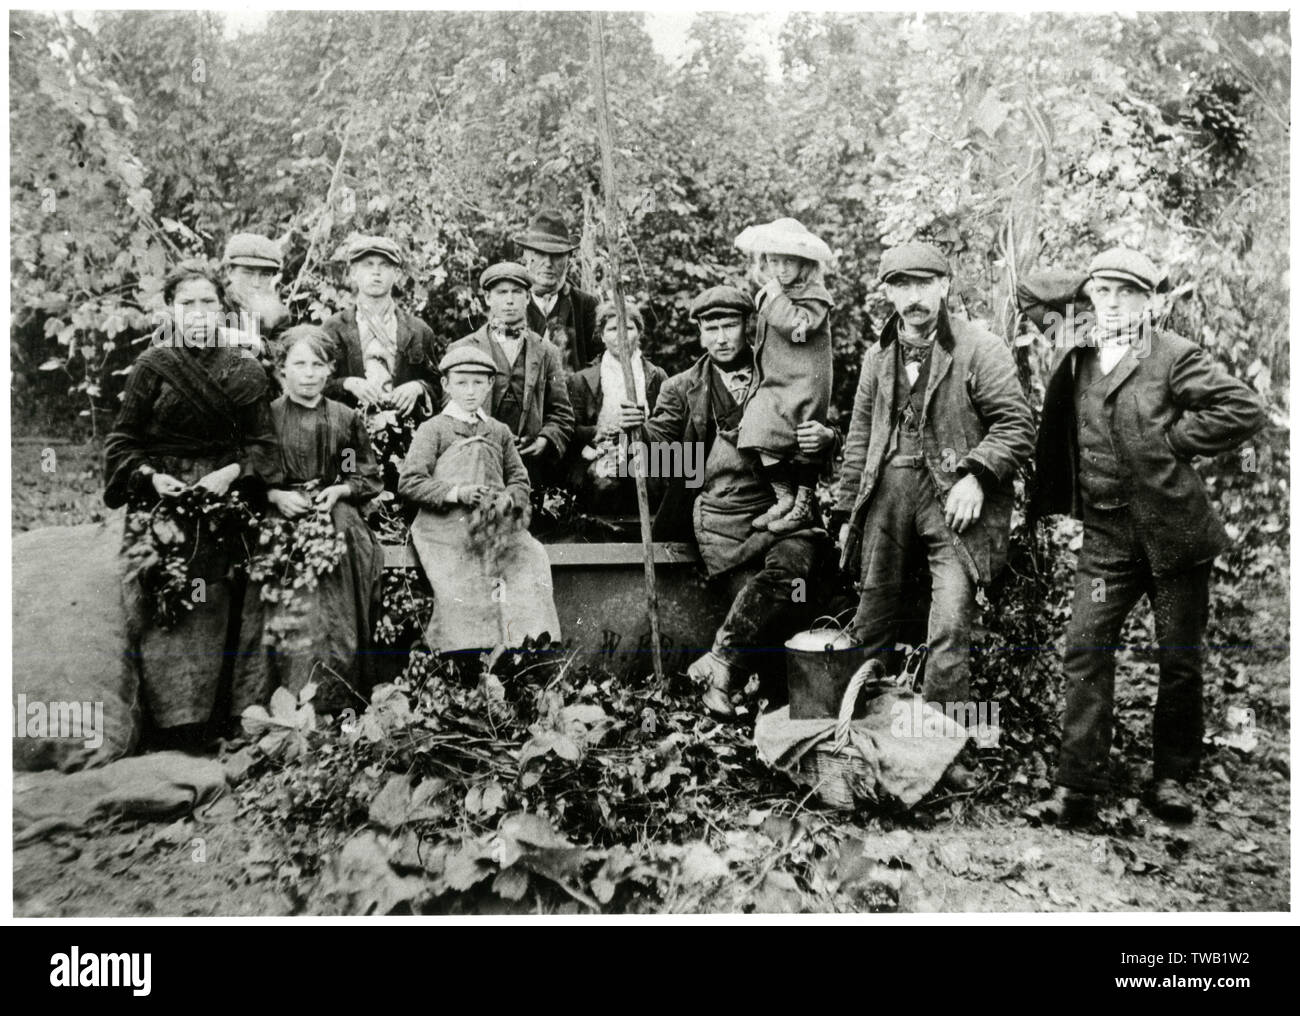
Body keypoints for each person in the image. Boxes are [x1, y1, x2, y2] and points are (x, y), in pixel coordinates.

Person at [1029, 248, 1267, 827]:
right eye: (1103, 293)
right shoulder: (1081, 353)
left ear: (1150, 302)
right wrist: (1087, 278)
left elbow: (1245, 408)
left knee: (1178, 658)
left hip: (1174, 533)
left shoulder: (1172, 356)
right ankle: (1077, 788)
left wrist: (1177, 441)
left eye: (1127, 293)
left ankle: (1172, 778)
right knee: (1086, 647)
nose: (1112, 304)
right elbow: (1031, 292)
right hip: (1108, 539)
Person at [834, 242, 1035, 718]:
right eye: (900, 285)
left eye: (923, 283)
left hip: (953, 499)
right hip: (886, 494)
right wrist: (846, 513)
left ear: (944, 286)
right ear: (887, 294)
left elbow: (1016, 424)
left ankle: (946, 741)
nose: (913, 297)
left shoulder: (979, 348)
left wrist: (977, 477)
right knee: (872, 610)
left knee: (949, 617)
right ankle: (863, 727)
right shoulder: (876, 359)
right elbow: (860, 441)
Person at [620, 285, 837, 718]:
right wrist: (637, 433)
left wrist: (826, 440)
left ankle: (725, 672)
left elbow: (815, 425)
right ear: (700, 334)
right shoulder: (681, 390)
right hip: (724, 521)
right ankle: (769, 704)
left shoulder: (776, 373)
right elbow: (664, 460)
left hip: (784, 513)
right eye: (711, 328)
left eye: (730, 326)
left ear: (748, 327)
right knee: (765, 609)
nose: (721, 338)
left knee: (795, 580)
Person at [104, 260, 281, 746]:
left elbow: (266, 446)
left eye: (208, 303)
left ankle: (222, 718)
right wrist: (151, 477)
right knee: (166, 597)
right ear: (171, 310)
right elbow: (121, 441)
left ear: (223, 310)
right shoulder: (151, 368)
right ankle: (167, 725)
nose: (199, 313)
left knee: (220, 598)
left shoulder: (243, 369)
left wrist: (230, 473)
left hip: (225, 502)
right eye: (188, 304)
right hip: (164, 504)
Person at [236, 326, 384, 716]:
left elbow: (359, 472)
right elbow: (252, 469)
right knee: (283, 605)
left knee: (331, 610)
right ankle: (277, 699)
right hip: (281, 517)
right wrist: (274, 494)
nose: (308, 374)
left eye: (318, 365)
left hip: (331, 517)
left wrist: (340, 490)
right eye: (298, 364)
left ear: (330, 369)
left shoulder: (343, 418)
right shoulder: (267, 418)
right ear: (281, 371)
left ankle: (332, 699)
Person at [398, 346, 561, 655]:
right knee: (462, 577)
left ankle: (523, 647)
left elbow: (519, 479)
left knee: (531, 556)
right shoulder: (433, 429)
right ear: (446, 385)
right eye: (461, 383)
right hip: (446, 526)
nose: (470, 391)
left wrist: (508, 501)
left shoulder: (498, 431)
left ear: (489, 385)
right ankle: (462, 654)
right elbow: (410, 481)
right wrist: (457, 493)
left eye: (478, 383)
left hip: (496, 527)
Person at [734, 217, 835, 534]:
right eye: (774, 261)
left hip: (805, 380)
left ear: (804, 262)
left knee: (806, 440)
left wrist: (776, 297)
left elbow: (798, 333)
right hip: (776, 381)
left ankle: (804, 502)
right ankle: (784, 496)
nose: (780, 269)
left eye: (788, 261)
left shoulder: (814, 294)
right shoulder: (770, 293)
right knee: (756, 427)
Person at [448, 262, 574, 492]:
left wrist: (544, 439)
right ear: (487, 298)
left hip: (529, 466)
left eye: (517, 293)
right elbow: (449, 413)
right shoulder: (462, 348)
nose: (509, 300)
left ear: (528, 298)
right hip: (476, 463)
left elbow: (562, 413)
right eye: (501, 292)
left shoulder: (546, 351)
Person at [321, 235, 444, 419]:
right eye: (368, 264)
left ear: (396, 274)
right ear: (354, 272)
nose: (376, 272)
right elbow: (317, 382)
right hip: (348, 431)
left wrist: (417, 387)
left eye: (385, 265)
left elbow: (439, 385)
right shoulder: (334, 328)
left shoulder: (419, 331)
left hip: (405, 428)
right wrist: (347, 383)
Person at [566, 301, 668, 515]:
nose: (620, 335)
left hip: (646, 454)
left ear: (639, 333)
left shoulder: (655, 377)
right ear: (601, 335)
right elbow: (570, 430)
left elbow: (668, 427)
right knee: (604, 485)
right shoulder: (582, 380)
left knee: (655, 485)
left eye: (628, 328)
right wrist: (599, 433)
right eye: (612, 329)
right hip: (599, 454)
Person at [516, 210, 600, 373]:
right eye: (540, 253)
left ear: (569, 258)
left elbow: (599, 365)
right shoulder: (511, 301)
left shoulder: (586, 305)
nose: (548, 263)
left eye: (556, 255)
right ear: (526, 255)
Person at [221, 232, 291, 353]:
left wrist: (259, 344)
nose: (256, 283)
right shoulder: (215, 305)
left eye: (265, 275)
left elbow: (284, 350)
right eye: (248, 273)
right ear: (230, 272)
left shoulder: (280, 314)